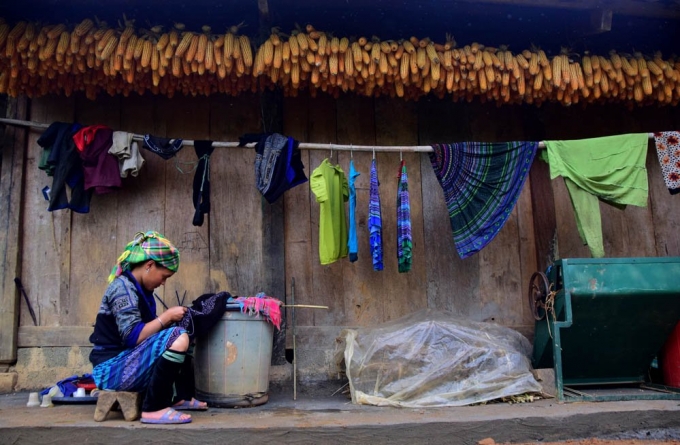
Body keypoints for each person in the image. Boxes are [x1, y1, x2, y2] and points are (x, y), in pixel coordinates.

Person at [89, 231, 207, 424]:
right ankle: (154, 407)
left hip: (125, 363)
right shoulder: (122, 289)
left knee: (186, 333)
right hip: (110, 370)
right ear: (149, 265)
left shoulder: (143, 291)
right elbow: (132, 337)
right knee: (177, 337)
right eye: (164, 276)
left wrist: (173, 322)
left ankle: (176, 397)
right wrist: (167, 317)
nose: (163, 282)